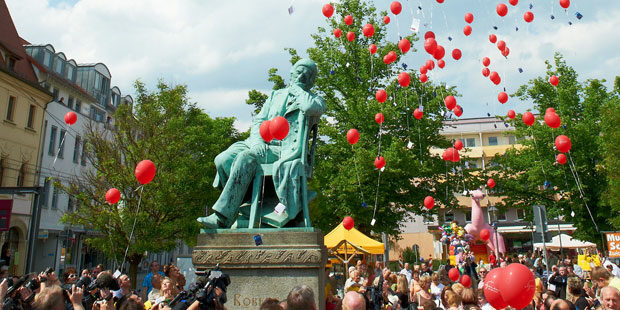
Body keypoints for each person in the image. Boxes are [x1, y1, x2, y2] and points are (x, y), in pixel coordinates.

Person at [198, 58, 326, 229]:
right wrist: (257, 142)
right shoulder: (275, 95)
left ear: (312, 80)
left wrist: (298, 90)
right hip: (258, 142)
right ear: (291, 73)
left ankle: (222, 217)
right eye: (299, 70)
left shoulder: (315, 99)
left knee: (246, 158)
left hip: (282, 150)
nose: (302, 74)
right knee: (223, 159)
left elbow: (310, 108)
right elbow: (259, 121)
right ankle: (245, 202)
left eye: (308, 74)